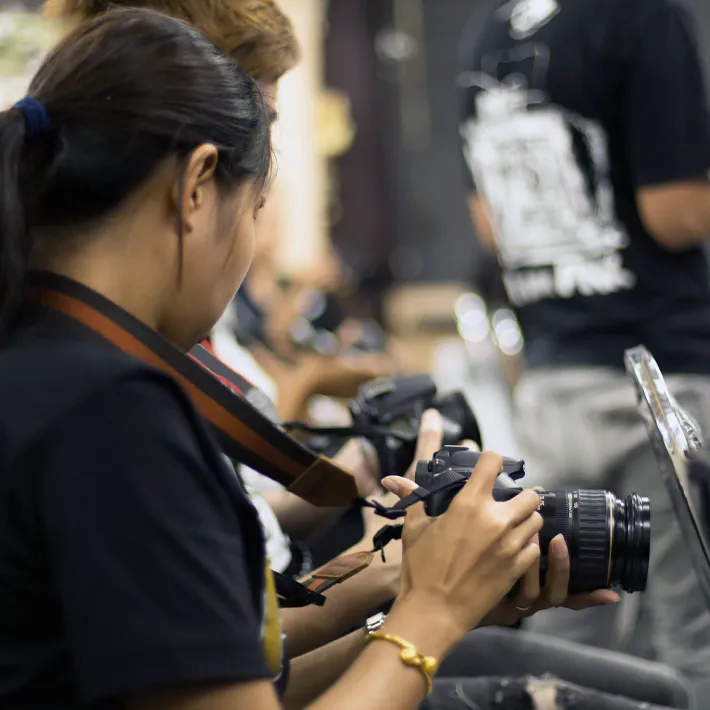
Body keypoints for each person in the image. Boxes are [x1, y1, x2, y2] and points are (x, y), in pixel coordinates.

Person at [0, 8, 624, 709]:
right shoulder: (114, 413)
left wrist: (439, 596)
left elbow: (251, 688)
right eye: (258, 205)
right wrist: (434, 612)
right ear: (198, 185)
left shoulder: (40, 364)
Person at [457, 0, 710, 700]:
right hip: (659, 381)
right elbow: (676, 213)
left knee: (564, 628)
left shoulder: (489, 36)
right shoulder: (645, 17)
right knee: (697, 639)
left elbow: (492, 230)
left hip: (552, 380)